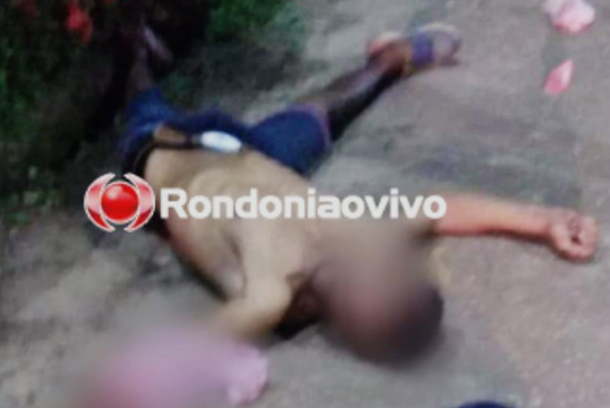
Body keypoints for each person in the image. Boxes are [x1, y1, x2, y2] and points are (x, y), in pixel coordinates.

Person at [118, 23, 597, 360]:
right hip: (255, 151)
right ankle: (388, 62)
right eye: (384, 282)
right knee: (322, 111)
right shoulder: (366, 239)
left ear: (348, 333)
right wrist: (544, 222)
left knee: (139, 102)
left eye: (364, 312)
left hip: (159, 157)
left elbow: (174, 359)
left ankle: (133, 59)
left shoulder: (267, 294)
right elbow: (441, 209)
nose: (365, 285)